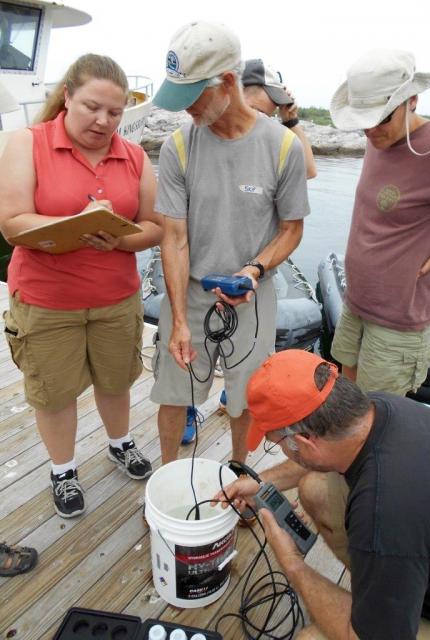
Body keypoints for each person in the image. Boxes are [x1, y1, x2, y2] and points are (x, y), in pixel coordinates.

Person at [216, 349, 430, 639]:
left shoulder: (383, 514)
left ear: (304, 441)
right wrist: (262, 481)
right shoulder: (379, 407)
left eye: (276, 442)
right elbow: (319, 459)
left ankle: (382, 605)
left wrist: (292, 563)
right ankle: (381, 596)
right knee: (315, 489)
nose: (279, 449)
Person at [0, 54, 162, 518]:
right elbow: (12, 223)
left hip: (116, 298)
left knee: (115, 380)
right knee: (54, 392)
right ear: (67, 95)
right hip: (47, 301)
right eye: (92, 107)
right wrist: (76, 223)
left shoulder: (131, 154)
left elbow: (153, 226)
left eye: (114, 112)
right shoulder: (27, 144)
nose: (104, 121)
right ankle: (63, 469)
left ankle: (119, 442)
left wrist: (119, 238)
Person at [150, 21, 309, 465]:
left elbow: (292, 229)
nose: (186, 111)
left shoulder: (283, 147)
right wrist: (179, 318)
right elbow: (175, 238)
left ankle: (240, 471)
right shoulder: (178, 147)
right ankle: (168, 477)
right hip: (190, 291)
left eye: (192, 98)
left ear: (225, 83)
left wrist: (255, 269)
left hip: (252, 294)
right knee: (173, 392)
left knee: (247, 396)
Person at [327, 49, 430, 396]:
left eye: (381, 118)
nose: (369, 130)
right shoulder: (378, 137)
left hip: (400, 320)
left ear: (412, 100)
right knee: (347, 398)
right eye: (362, 120)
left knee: (377, 415)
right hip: (357, 302)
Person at [242, 58, 317, 179]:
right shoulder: (205, 133)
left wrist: (291, 120)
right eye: (255, 111)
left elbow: (308, 171)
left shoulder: (267, 140)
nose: (260, 120)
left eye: (267, 116)